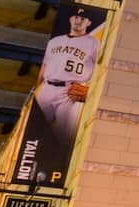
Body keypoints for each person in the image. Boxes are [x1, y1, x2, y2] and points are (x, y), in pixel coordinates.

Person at [33, 7, 102, 141]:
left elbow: (99, 68)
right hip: (47, 88)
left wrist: (90, 89)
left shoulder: (94, 43)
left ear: (89, 23)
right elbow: (44, 68)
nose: (78, 21)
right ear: (70, 19)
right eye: (76, 17)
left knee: (64, 135)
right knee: (35, 130)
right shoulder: (54, 42)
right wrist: (36, 90)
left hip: (71, 91)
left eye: (83, 19)